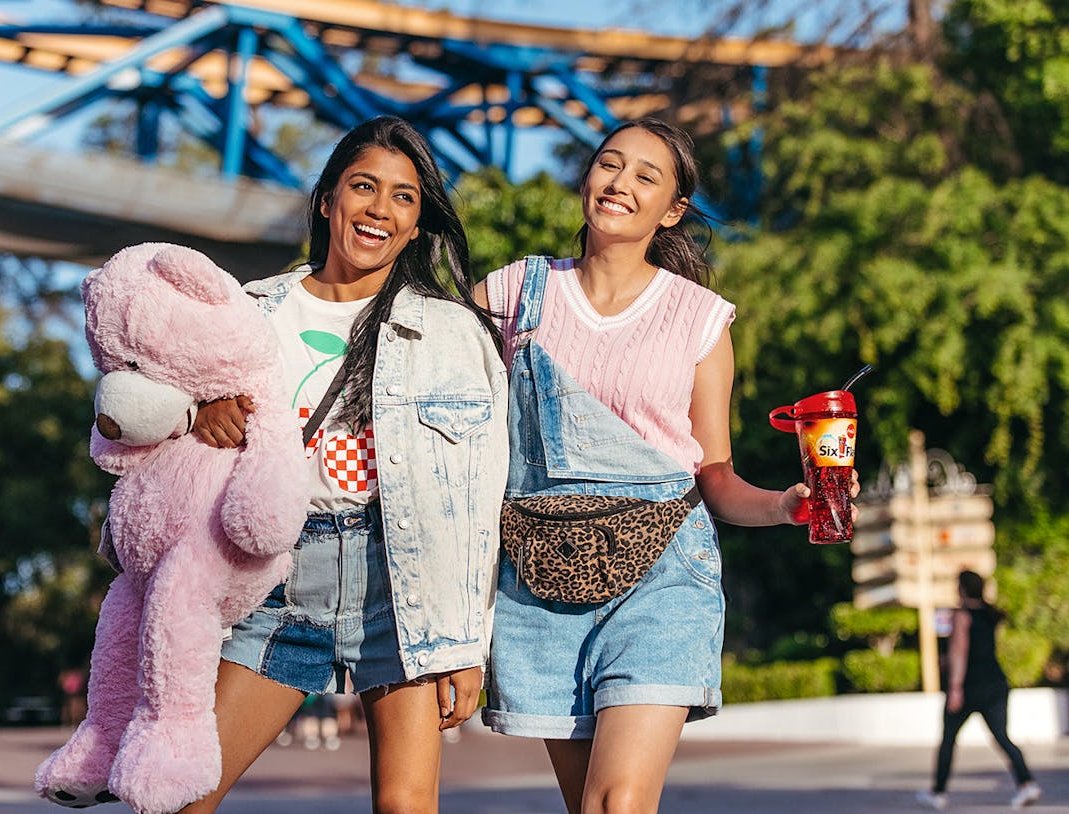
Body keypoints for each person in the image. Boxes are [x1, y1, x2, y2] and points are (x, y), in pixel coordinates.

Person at [473, 117, 858, 814]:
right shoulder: (512, 294)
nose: (620, 184)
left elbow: (714, 475)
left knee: (617, 803)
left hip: (662, 577)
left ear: (673, 209)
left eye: (646, 176)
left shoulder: (700, 318)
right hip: (541, 571)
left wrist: (787, 504)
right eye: (609, 165)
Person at [180, 115, 508, 813]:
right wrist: (196, 416)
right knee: (181, 794)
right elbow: (145, 427)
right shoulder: (247, 312)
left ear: (418, 225)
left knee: (406, 805)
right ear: (328, 199)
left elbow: (478, 499)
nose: (379, 210)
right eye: (363, 187)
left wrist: (466, 642)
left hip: (402, 577)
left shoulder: (451, 330)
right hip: (276, 572)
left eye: (403, 198)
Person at [916, 571, 1041, 810]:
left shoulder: (961, 616)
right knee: (1002, 736)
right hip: (995, 683)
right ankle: (1027, 784)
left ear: (962, 589)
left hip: (969, 687)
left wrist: (954, 688)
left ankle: (938, 792)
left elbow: (959, 653)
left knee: (948, 740)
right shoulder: (988, 614)